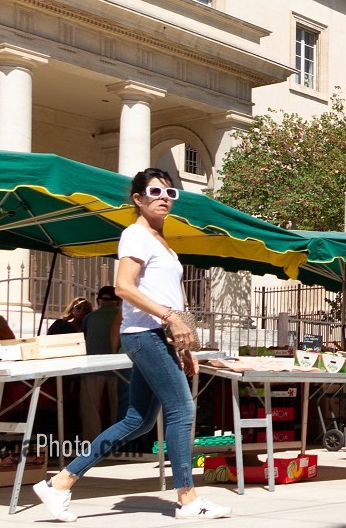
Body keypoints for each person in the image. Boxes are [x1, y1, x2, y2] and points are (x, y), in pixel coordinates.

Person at [33, 168, 230, 521]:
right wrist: (169, 319)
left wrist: (186, 348)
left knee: (137, 421)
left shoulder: (162, 242)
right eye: (155, 191)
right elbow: (124, 287)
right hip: (144, 335)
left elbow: (172, 297)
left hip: (159, 337)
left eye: (170, 194)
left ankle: (60, 482)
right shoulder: (136, 235)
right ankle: (187, 498)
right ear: (138, 198)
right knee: (182, 410)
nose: (163, 198)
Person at [79, 286, 123, 444]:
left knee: (90, 407)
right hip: (119, 368)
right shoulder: (121, 317)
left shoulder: (89, 318)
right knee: (118, 406)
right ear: (118, 301)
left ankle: (92, 444)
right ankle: (117, 441)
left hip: (92, 366)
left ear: (98, 301)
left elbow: (82, 339)